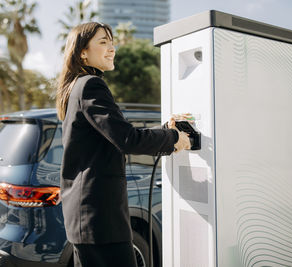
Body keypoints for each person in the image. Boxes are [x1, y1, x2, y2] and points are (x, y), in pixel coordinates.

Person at [56, 22, 191, 267]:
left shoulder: (76, 87)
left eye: (112, 42)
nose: (112, 48)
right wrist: (174, 140)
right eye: (103, 42)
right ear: (82, 52)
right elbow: (126, 139)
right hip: (101, 221)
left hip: (87, 220)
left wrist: (165, 131)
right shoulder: (90, 85)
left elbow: (113, 134)